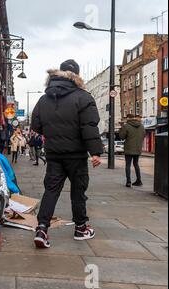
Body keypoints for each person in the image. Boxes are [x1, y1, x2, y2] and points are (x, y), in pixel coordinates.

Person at [31, 59, 103, 249]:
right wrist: (95, 152)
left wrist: (52, 131)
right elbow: (89, 126)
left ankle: (42, 228)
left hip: (54, 154)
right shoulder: (83, 97)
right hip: (76, 156)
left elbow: (35, 125)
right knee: (78, 191)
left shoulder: (44, 98)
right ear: (77, 76)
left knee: (51, 190)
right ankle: (81, 228)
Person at [119, 114, 146, 188]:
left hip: (129, 148)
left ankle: (128, 182)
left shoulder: (126, 126)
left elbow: (121, 136)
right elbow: (144, 135)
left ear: (128, 118)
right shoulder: (141, 126)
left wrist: (121, 129)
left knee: (128, 165)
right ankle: (139, 180)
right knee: (136, 164)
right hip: (138, 148)